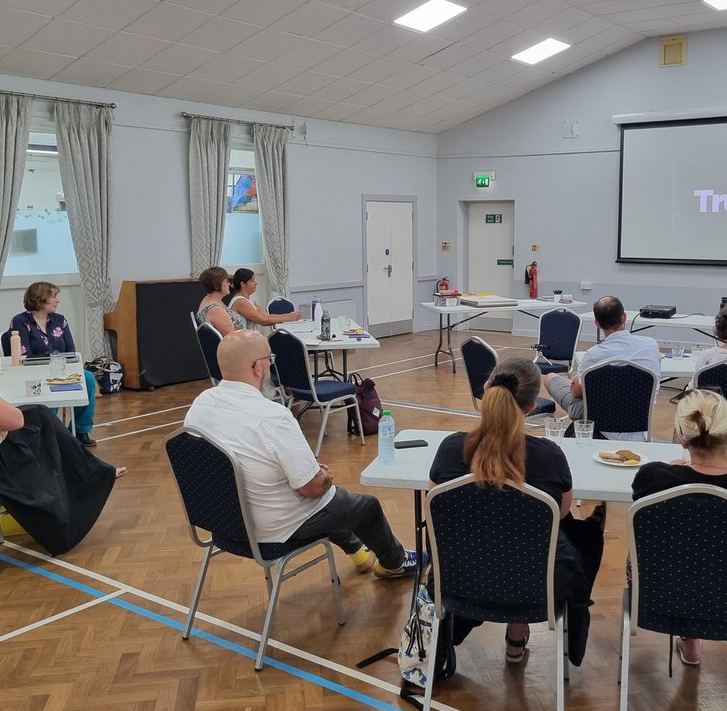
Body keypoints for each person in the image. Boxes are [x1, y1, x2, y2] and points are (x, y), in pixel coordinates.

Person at [184, 330, 419, 579]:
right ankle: (394, 563)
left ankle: (358, 551)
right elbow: (313, 489)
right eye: (270, 360)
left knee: (326, 499)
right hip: (272, 528)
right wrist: (321, 475)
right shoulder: (273, 417)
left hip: (222, 520)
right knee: (359, 504)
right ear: (258, 368)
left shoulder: (200, 404)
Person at [430, 356, 604, 664]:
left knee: (487, 537)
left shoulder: (449, 449)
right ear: (532, 406)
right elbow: (560, 516)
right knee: (570, 536)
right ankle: (517, 631)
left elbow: (435, 508)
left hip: (462, 581)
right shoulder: (550, 458)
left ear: (486, 389)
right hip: (534, 589)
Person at [0, 324, 125, 555]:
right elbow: (15, 420)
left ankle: (93, 471)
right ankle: (91, 476)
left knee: (38, 414)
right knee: (41, 422)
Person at [632, 388, 727, 665]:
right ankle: (693, 642)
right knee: (714, 547)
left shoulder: (652, 478)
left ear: (680, 438)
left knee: (684, 544)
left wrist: (676, 471)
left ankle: (691, 641)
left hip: (658, 598)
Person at [546, 295, 661, 440]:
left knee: (551, 378)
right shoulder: (651, 345)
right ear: (624, 317)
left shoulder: (593, 355)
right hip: (639, 429)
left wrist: (577, 380)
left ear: (597, 323)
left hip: (601, 428)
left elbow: (575, 393)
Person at [8, 282, 98, 447]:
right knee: (50, 387)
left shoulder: (60, 319)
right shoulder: (20, 321)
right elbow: (25, 354)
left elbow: (71, 349)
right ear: (40, 298)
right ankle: (49, 432)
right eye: (54, 296)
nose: (57, 300)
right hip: (35, 371)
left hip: (61, 368)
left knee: (88, 378)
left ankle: (81, 429)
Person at [223, 268, 302, 331]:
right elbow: (263, 321)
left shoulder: (250, 300)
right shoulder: (240, 301)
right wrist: (288, 318)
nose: (256, 283)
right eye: (252, 281)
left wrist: (288, 315)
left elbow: (267, 316)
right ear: (243, 284)